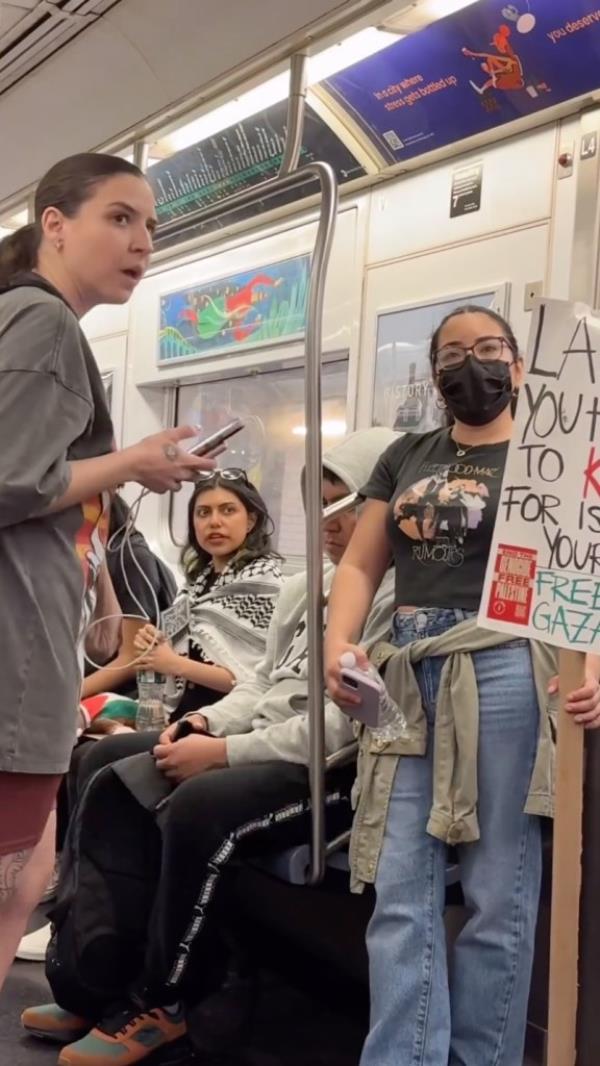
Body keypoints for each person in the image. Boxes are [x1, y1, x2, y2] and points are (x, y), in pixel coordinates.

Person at [22, 427, 397, 1065]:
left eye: (346, 506)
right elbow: (261, 684)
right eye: (320, 506)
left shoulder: (394, 597)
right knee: (106, 764)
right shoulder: (309, 587)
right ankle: (97, 977)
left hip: (332, 768)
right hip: (263, 736)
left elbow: (345, 728)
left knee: (199, 806)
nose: (331, 523)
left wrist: (223, 753)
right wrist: (206, 725)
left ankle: (164, 1001)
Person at [324, 307, 600, 1066]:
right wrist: (339, 643)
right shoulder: (406, 454)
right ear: (433, 373)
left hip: (507, 660)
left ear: (518, 364)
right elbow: (361, 564)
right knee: (399, 889)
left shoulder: (553, 452)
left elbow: (584, 564)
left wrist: (593, 663)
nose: (470, 364)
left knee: (497, 891)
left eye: (487, 348)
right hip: (407, 668)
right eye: (451, 354)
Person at [0, 152, 215, 994]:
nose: (141, 242)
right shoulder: (45, 324)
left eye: (150, 226)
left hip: (28, 643)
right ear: (54, 225)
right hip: (13, 649)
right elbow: (11, 478)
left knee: (29, 870)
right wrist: (130, 462)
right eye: (119, 218)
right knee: (10, 881)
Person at [132, 469, 284, 719]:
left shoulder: (263, 585)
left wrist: (172, 663)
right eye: (203, 513)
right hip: (180, 711)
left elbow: (252, 682)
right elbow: (178, 653)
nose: (214, 522)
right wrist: (155, 643)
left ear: (250, 521)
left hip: (224, 721)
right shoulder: (195, 585)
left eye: (228, 510)